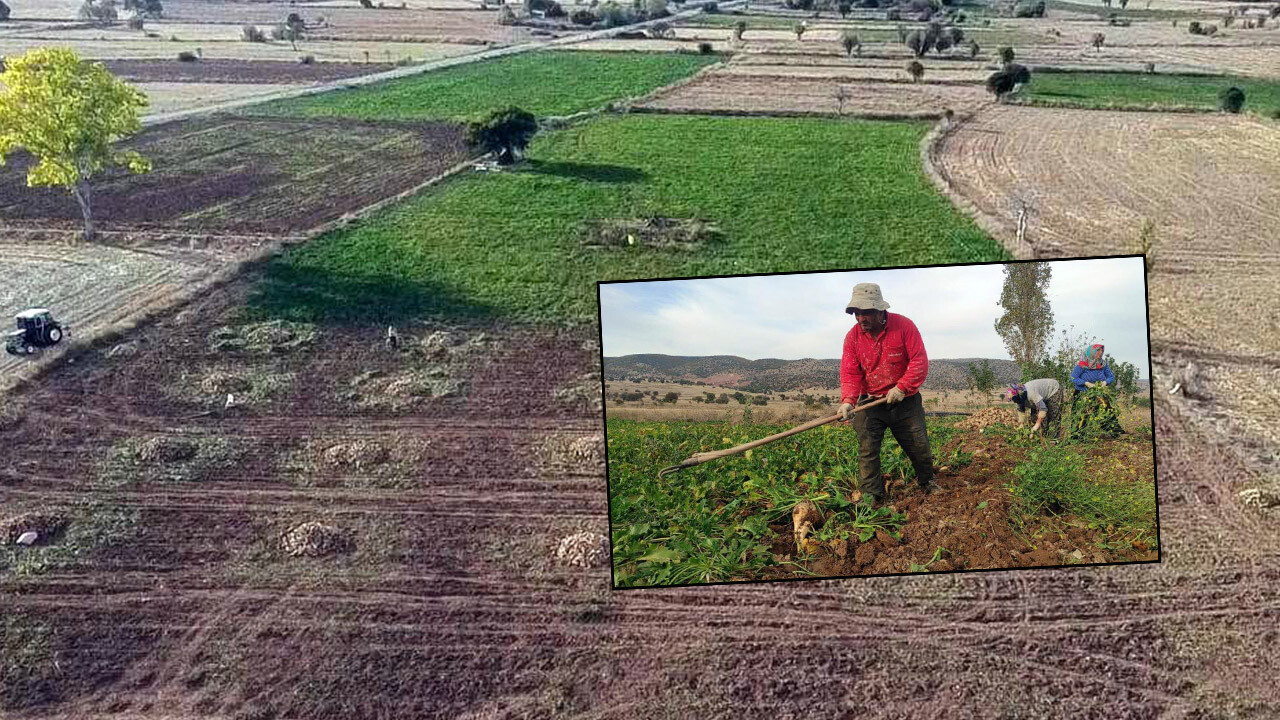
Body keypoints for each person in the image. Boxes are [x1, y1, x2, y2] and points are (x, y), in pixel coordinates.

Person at [838, 282, 937, 508]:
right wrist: (847, 401)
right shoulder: (852, 338)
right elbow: (850, 372)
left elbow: (919, 361)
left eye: (867, 313)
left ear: (880, 310)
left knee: (918, 443)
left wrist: (902, 387)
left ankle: (927, 481)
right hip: (871, 402)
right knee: (868, 449)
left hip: (905, 400)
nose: (861, 318)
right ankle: (873, 495)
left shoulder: (904, 326)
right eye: (857, 313)